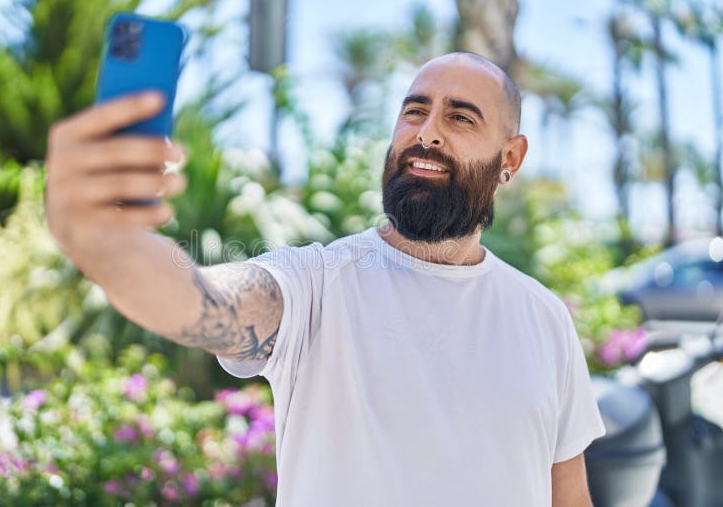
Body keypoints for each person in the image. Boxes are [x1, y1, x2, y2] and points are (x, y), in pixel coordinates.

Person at [45, 51, 606, 506]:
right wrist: (103, 240)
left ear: (511, 158)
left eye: (460, 117)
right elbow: (200, 303)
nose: (427, 133)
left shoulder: (544, 318)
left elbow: (568, 497)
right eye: (414, 111)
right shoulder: (315, 285)